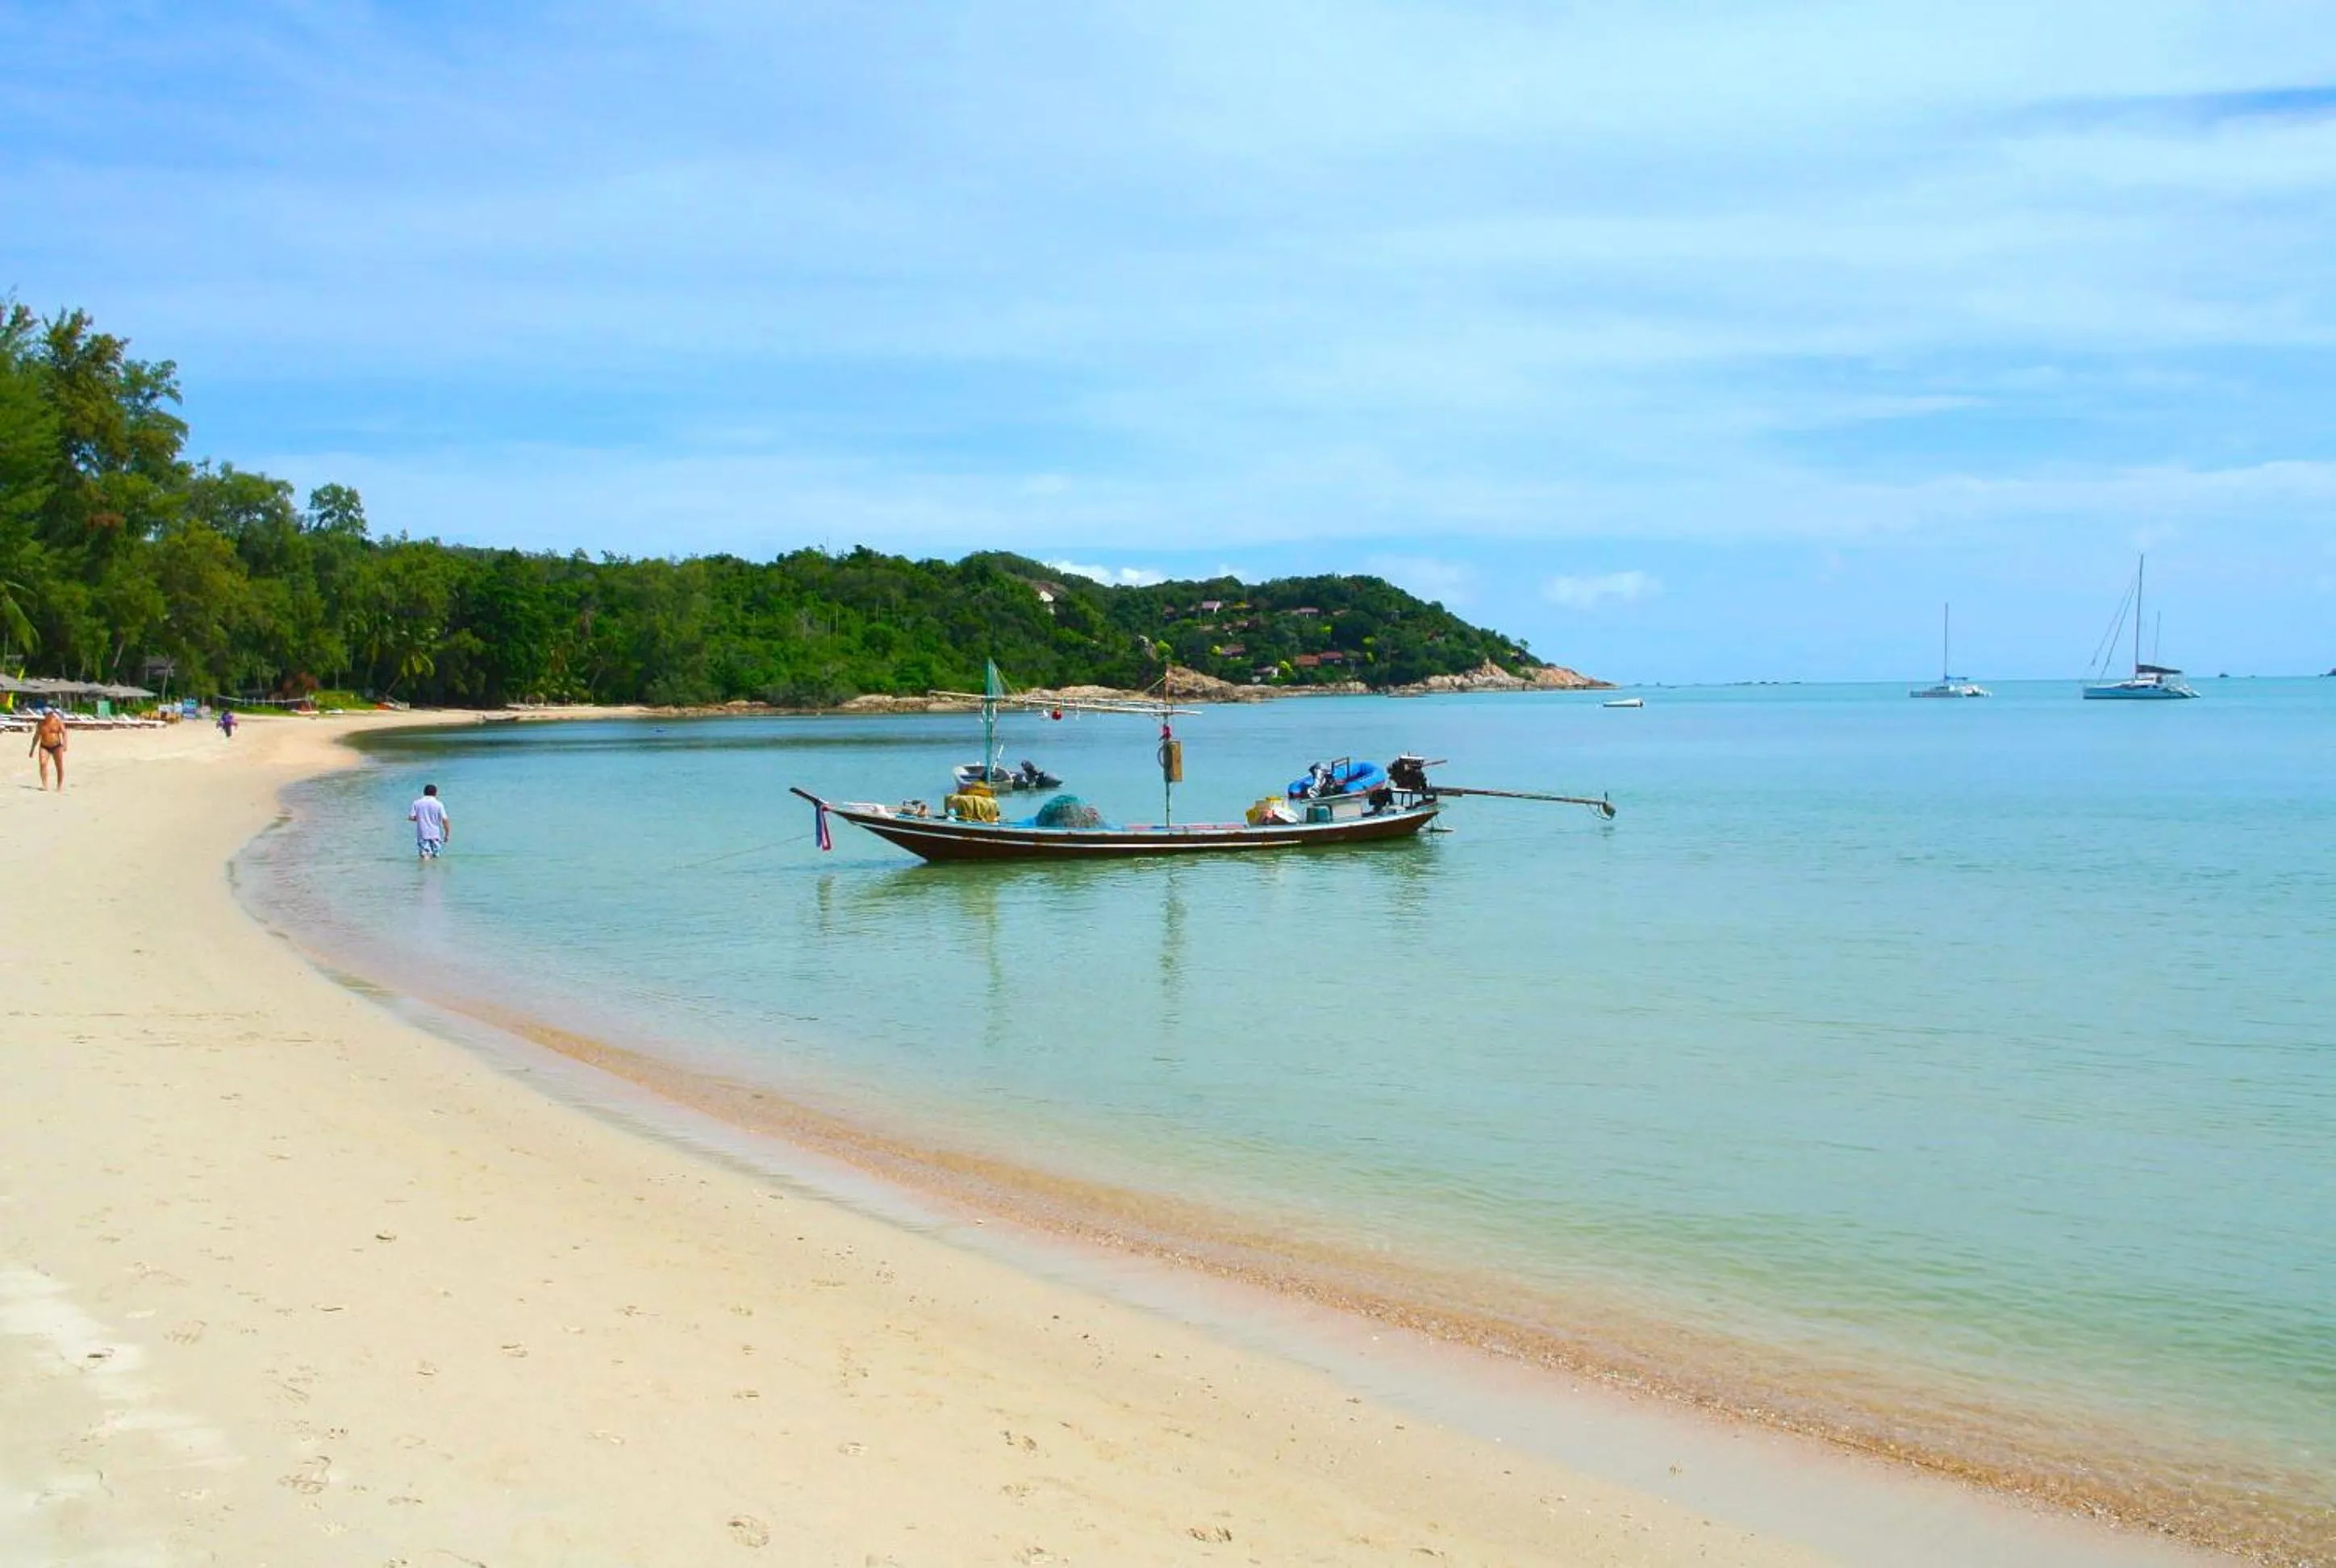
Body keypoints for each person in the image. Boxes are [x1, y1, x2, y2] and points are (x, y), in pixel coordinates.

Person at [407, 782, 452, 861]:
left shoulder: (417, 803)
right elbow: (445, 820)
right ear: (435, 793)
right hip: (435, 834)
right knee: (435, 857)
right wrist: (447, 834)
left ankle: (425, 872)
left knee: (425, 857)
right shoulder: (439, 804)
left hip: (423, 834)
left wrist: (421, 818)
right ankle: (435, 872)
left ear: (424, 792)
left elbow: (411, 817)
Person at [27, 706, 67, 791]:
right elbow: (36, 737)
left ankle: (59, 786)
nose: (45, 716)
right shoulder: (41, 724)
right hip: (44, 746)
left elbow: (64, 733)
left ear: (51, 714)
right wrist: (32, 749)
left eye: (47, 714)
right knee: (42, 763)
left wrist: (65, 744)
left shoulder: (58, 722)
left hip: (57, 746)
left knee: (59, 766)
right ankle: (45, 785)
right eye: (44, 714)